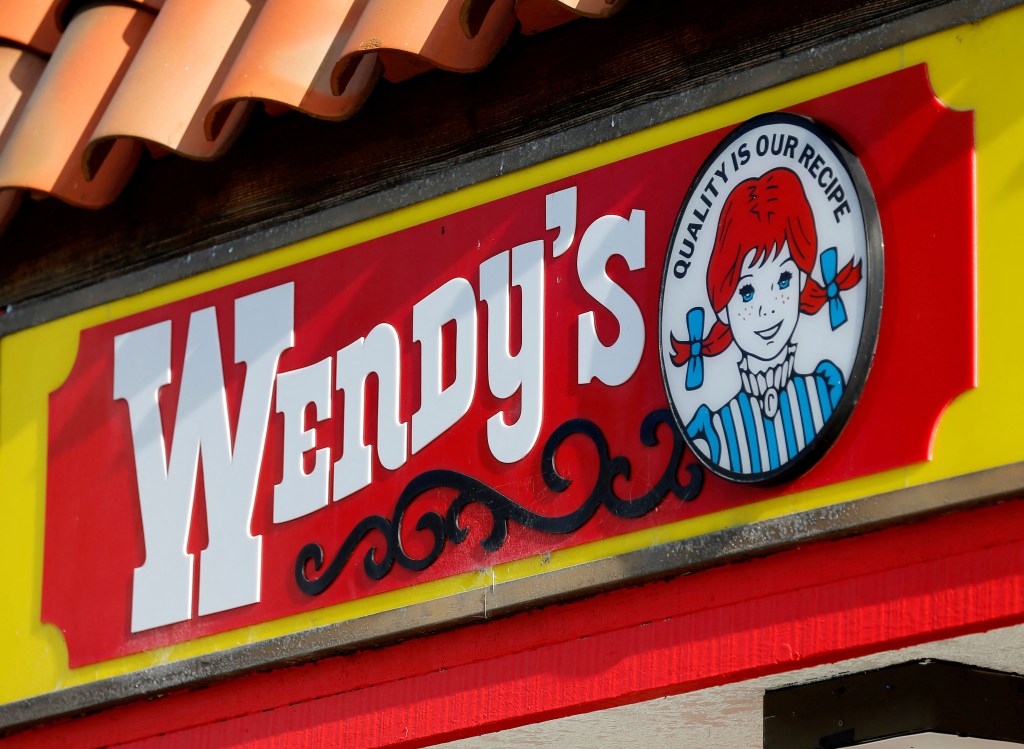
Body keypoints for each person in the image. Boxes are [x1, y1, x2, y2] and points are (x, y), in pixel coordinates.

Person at [670, 167, 861, 475]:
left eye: (784, 279)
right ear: (722, 307)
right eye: (746, 291)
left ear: (802, 281)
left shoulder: (826, 388)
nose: (767, 309)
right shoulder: (715, 429)